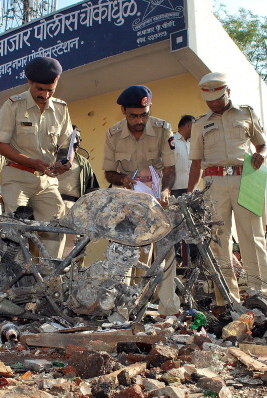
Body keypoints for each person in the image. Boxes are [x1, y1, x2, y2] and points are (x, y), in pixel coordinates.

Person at [187, 72, 267, 309]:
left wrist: (261, 155)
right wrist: (190, 194)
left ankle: (261, 296)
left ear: (228, 92)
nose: (214, 103)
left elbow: (263, 144)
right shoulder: (200, 124)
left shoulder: (246, 113)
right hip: (214, 185)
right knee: (218, 241)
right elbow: (196, 163)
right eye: (209, 100)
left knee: (252, 238)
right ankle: (226, 298)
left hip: (246, 178)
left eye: (218, 98)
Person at [102, 84, 178, 315]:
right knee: (131, 252)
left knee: (166, 250)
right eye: (134, 116)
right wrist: (123, 179)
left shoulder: (163, 128)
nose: (140, 121)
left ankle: (169, 308)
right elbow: (108, 172)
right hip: (130, 200)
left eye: (144, 115)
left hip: (158, 199)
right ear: (123, 111)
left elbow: (170, 168)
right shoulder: (113, 134)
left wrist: (165, 190)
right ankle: (129, 309)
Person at [0, 56, 72, 259]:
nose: (45, 95)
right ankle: (13, 278)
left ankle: (50, 278)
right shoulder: (13, 105)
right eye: (39, 89)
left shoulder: (61, 109)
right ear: (29, 82)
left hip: (47, 182)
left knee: (57, 227)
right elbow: (1, 145)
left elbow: (66, 144)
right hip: (17, 178)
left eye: (50, 90)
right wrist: (31, 162)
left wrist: (65, 162)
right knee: (16, 232)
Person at [56, 126, 100, 255]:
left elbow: (93, 189)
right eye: (74, 137)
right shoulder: (52, 158)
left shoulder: (83, 163)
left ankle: (67, 273)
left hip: (75, 208)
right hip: (53, 204)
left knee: (72, 248)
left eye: (79, 138)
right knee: (52, 243)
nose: (77, 141)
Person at [171, 115, 195, 197]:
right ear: (189, 125)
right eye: (195, 126)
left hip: (192, 189)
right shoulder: (171, 141)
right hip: (175, 189)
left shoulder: (193, 143)